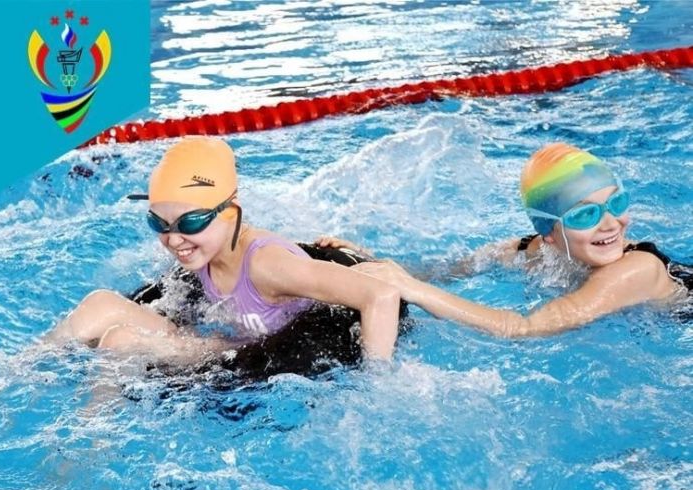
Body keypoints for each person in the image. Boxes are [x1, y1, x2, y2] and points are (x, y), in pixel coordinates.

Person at [46, 137, 401, 365]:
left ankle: (93, 447)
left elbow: (381, 295)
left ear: (230, 212)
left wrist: (373, 390)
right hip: (221, 338)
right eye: (159, 223)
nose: (173, 239)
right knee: (100, 304)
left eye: (189, 223)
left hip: (260, 354)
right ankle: (23, 376)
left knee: (118, 340)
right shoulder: (204, 254)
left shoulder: (267, 265)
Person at [320, 143, 692, 337]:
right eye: (585, 215)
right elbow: (451, 271)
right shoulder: (528, 250)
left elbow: (524, 328)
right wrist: (373, 262)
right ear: (549, 234)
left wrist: (414, 290)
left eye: (616, 203)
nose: (611, 224)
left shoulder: (635, 270)